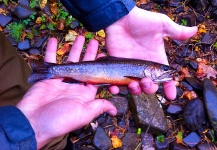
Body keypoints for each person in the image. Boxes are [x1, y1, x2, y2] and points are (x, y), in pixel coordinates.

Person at [0, 0, 198, 149]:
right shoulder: (141, 72)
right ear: (151, 70)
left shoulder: (142, 71)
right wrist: (30, 131)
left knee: (23, 95)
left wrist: (115, 13)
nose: (166, 72)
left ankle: (48, 79)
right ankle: (50, 72)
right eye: (163, 70)